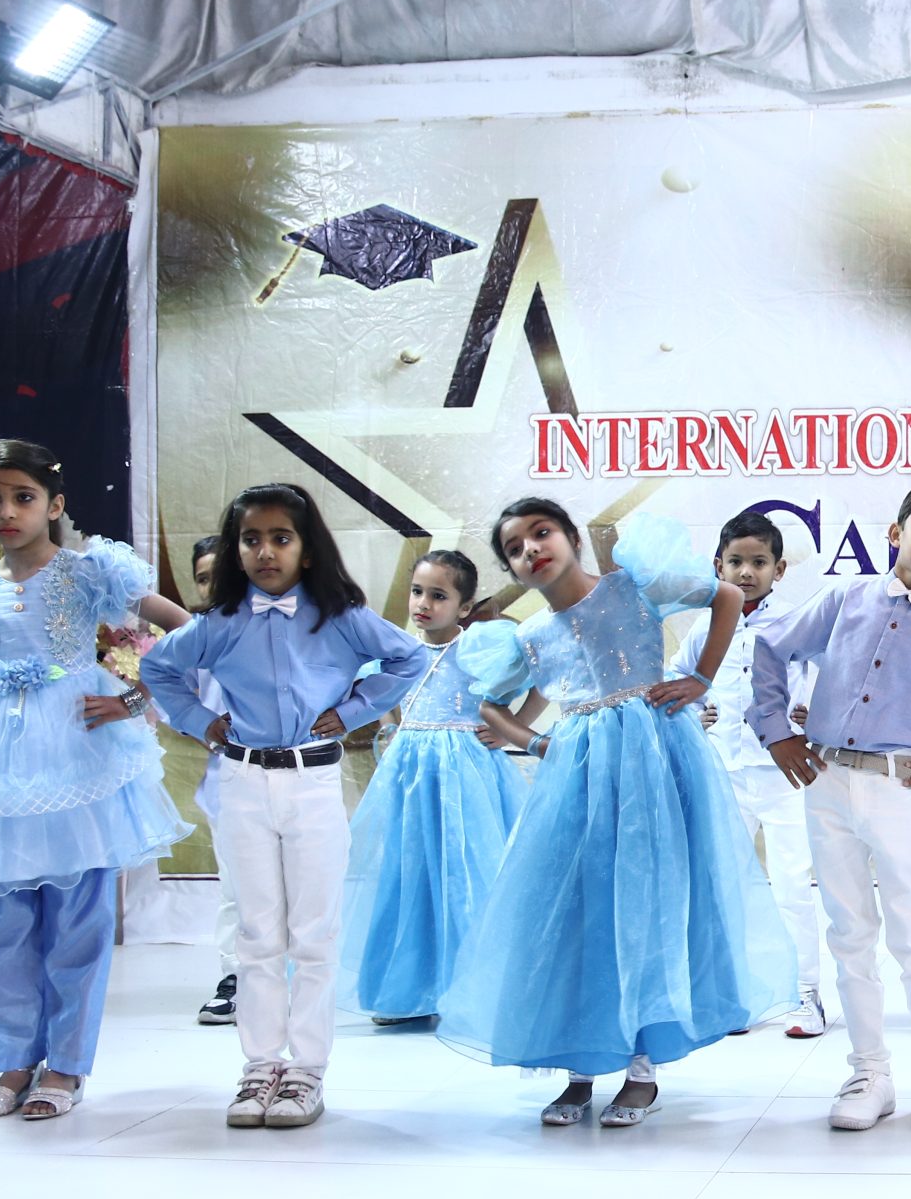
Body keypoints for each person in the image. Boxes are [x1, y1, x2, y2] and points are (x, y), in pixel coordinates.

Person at [441, 501, 796, 1129]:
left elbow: (725, 596)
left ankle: (640, 1068)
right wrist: (536, 742)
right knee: (575, 911)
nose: (531, 550)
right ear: (512, 570)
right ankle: (579, 1067)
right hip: (577, 774)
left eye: (541, 533)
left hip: (651, 761)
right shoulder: (530, 636)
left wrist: (700, 678)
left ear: (572, 537)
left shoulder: (630, 586)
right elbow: (490, 705)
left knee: (645, 901)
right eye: (515, 548)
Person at [0, 438, 193, 1121]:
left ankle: (66, 1066)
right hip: (1, 753)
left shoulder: (86, 572)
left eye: (23, 497)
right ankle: (13, 1062)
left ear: (54, 504)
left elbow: (182, 630)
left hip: (75, 744)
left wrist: (134, 699)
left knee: (77, 913)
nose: (7, 512)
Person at [141, 482, 425, 1130]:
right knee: (257, 932)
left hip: (313, 781)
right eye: (251, 539)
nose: (265, 552)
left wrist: (353, 709)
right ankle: (260, 1064)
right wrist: (201, 721)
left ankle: (307, 1069)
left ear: (307, 547)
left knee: (315, 932)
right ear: (235, 548)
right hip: (243, 782)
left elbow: (408, 658)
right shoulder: (218, 624)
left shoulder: (340, 617)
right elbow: (159, 670)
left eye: (280, 538)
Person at [749, 477, 911, 1132]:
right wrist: (777, 730)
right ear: (897, 531)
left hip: (900, 787)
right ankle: (869, 1072)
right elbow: (770, 646)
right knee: (848, 933)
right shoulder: (844, 599)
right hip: (826, 780)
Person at [338, 550, 527, 1026]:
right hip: (410, 771)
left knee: (466, 870)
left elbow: (540, 673)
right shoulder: (400, 649)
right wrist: (390, 726)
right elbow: (376, 689)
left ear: (465, 607)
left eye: (439, 596)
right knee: (408, 872)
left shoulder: (480, 647)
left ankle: (472, 990)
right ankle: (405, 990)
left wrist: (513, 729)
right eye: (418, 592)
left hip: (465, 770)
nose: (423, 603)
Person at [678, 511, 828, 1039]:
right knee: (727, 887)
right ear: (717, 565)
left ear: (779, 569)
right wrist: (693, 712)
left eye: (759, 562)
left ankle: (805, 993)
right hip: (723, 771)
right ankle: (736, 995)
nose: (746, 572)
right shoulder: (704, 625)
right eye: (736, 562)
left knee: (792, 885)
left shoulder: (797, 621)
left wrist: (815, 712)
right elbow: (677, 678)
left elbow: (835, 674)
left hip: (785, 774)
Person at [182, 534, 241, 1028]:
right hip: (230, 777)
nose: (213, 586)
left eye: (221, 574)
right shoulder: (192, 637)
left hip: (298, 774)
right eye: (203, 578)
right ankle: (236, 978)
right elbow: (172, 696)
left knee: (301, 889)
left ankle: (301, 981)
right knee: (236, 886)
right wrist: (204, 726)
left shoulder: (291, 623)